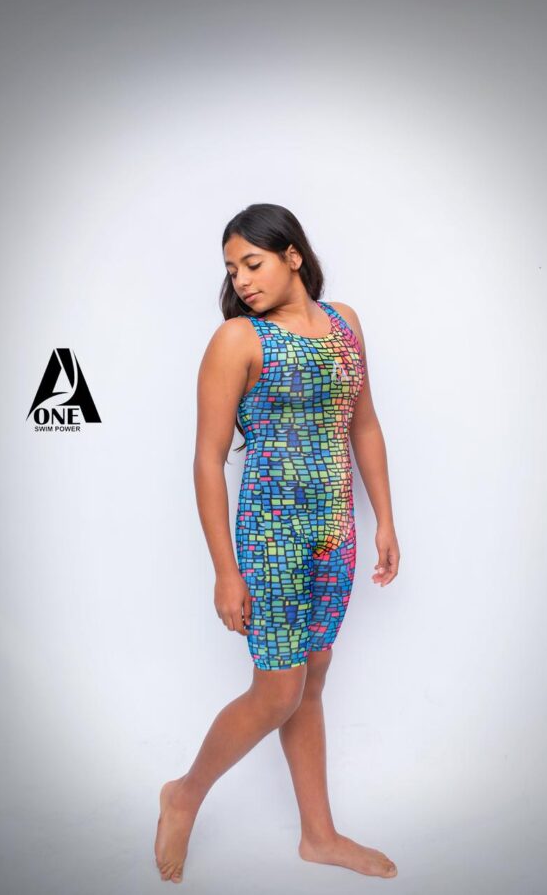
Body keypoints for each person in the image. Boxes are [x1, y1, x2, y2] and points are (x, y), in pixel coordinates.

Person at [154, 203, 400, 883]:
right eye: (232, 268)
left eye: (252, 262)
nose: (241, 279)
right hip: (271, 538)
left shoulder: (345, 323)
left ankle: (318, 837)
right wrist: (225, 571)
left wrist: (384, 519)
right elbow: (207, 461)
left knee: (311, 681)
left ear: (293, 256)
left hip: (336, 532)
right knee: (276, 691)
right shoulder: (237, 339)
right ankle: (185, 793)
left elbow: (365, 424)